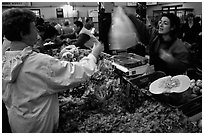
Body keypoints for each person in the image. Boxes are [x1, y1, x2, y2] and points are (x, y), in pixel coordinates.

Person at [2, 8, 104, 133]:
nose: (38, 32)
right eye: (34, 28)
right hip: (39, 127)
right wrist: (94, 54)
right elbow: (75, 72)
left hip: (18, 123)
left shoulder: (5, 60)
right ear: (23, 33)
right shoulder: (37, 62)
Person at [125, 12, 189, 76]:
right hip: (153, 77)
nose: (161, 25)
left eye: (165, 23)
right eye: (160, 22)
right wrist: (130, 16)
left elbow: (183, 67)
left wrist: (171, 60)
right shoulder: (154, 36)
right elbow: (142, 28)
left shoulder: (178, 45)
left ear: (172, 27)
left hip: (169, 80)